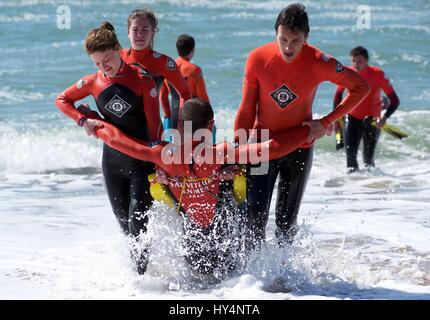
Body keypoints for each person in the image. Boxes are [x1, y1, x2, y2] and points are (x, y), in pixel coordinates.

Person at [84, 98, 311, 281]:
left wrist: (93, 122)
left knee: (200, 279)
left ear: (179, 125)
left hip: (192, 246)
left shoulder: (164, 156)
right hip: (225, 240)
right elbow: (270, 149)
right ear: (211, 126)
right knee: (233, 278)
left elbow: (120, 142)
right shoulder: (219, 153)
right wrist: (307, 131)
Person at [234, 3, 370, 247]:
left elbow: (361, 87)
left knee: (286, 225)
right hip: (263, 142)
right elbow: (245, 110)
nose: (288, 47)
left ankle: (284, 280)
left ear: (306, 37)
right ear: (276, 32)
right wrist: (238, 150)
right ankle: (250, 282)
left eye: (295, 41)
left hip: (299, 144)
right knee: (254, 220)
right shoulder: (257, 59)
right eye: (282, 39)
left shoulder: (319, 61)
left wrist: (325, 122)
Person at [55, 22, 162, 275]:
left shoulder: (143, 81)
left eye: (107, 59)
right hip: (112, 163)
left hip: (141, 161)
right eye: (97, 63)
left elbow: (155, 129)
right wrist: (84, 120)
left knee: (138, 223)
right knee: (125, 226)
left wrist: (159, 163)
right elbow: (62, 99)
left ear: (118, 48)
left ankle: (143, 285)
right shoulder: (93, 83)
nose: (104, 67)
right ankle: (139, 278)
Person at [120, 8, 192, 128]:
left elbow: (185, 93)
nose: (140, 34)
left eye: (145, 30)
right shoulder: (116, 58)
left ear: (153, 32)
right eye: (135, 29)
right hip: (116, 132)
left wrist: (183, 126)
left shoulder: (164, 63)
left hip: (149, 131)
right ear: (128, 32)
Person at [333, 46, 400, 172]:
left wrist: (384, 118)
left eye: (359, 61)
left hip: (373, 120)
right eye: (353, 61)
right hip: (351, 117)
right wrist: (336, 120)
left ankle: (370, 186)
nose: (356, 64)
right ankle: (353, 187)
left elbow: (395, 100)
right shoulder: (347, 73)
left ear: (367, 61)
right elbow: (337, 96)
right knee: (350, 157)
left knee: (368, 160)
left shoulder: (378, 74)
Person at [159, 34, 210, 130]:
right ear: (193, 50)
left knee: (174, 144)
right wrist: (209, 117)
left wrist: (168, 116)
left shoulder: (168, 68)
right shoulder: (194, 70)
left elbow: (163, 96)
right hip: (193, 118)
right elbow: (203, 97)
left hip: (174, 117)